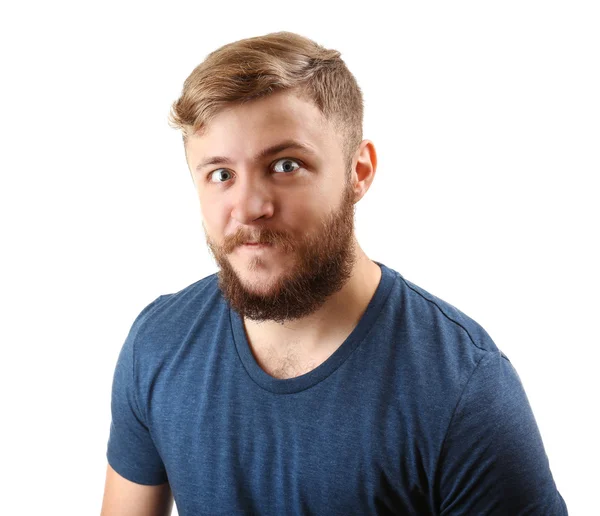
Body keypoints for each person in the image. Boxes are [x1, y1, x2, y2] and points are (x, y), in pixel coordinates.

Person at [101, 31, 568, 515]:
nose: (248, 208)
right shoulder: (157, 346)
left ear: (358, 171)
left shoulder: (464, 392)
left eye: (285, 165)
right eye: (221, 174)